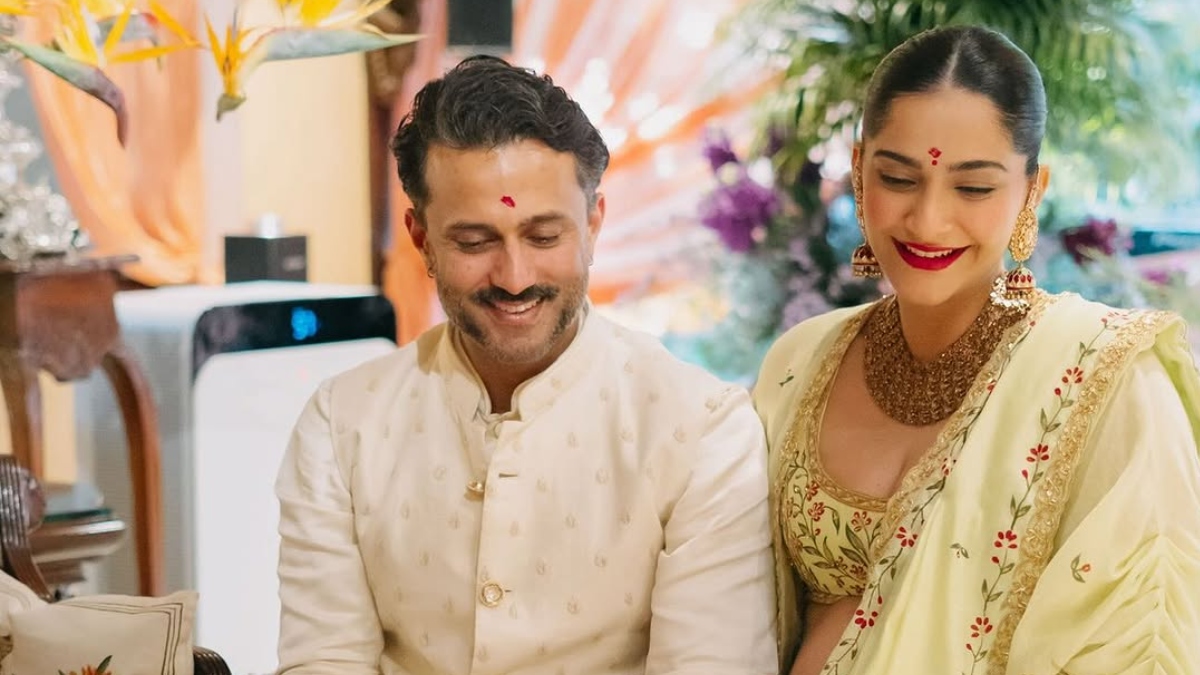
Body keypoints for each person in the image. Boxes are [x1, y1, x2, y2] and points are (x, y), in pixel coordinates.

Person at [274, 55, 778, 675]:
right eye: (474, 241)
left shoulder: (700, 430)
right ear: (421, 238)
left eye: (543, 237)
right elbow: (323, 660)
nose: (514, 278)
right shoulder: (342, 424)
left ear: (593, 224)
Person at [753, 25, 1200, 675]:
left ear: (1031, 191)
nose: (928, 220)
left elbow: (1137, 644)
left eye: (974, 188)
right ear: (858, 170)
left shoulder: (1104, 377)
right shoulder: (800, 361)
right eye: (898, 177)